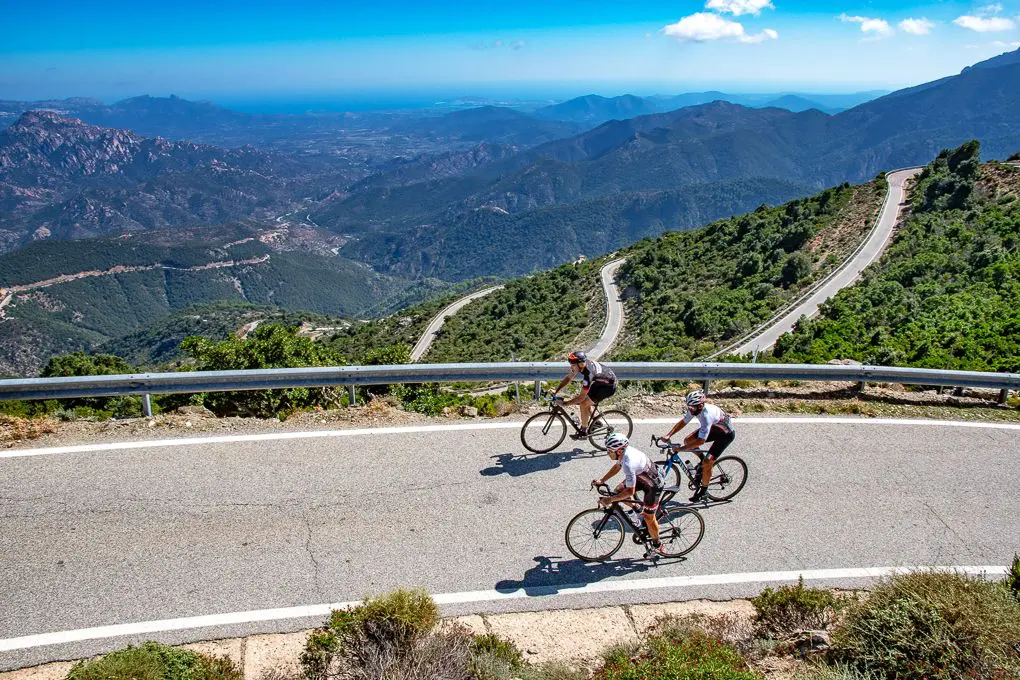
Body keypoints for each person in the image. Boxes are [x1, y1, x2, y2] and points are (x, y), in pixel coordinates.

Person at [591, 433, 664, 558]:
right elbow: (617, 466)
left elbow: (630, 492)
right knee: (618, 490)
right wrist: (602, 480)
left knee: (649, 518)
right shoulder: (624, 453)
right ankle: (639, 512)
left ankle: (658, 545)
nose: (608, 453)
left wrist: (609, 499)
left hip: (653, 486)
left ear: (619, 451)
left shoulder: (629, 463)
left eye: (609, 451)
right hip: (643, 477)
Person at [660, 389, 735, 502]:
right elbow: (684, 422)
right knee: (688, 440)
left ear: (700, 405)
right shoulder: (694, 408)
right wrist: (669, 434)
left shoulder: (706, 416)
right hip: (714, 428)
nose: (690, 409)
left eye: (693, 407)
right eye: (689, 406)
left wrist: (680, 449)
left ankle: (704, 490)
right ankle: (702, 462)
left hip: (725, 435)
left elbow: (700, 441)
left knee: (707, 462)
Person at [551, 350, 616, 440]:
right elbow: (569, 378)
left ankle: (583, 431)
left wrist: (565, 403)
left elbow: (581, 397)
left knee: (583, 404)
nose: (572, 367)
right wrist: (556, 391)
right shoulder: (582, 364)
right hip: (599, 382)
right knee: (586, 401)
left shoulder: (588, 375)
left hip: (607, 388)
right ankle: (596, 421)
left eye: (573, 365)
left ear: (580, 364)